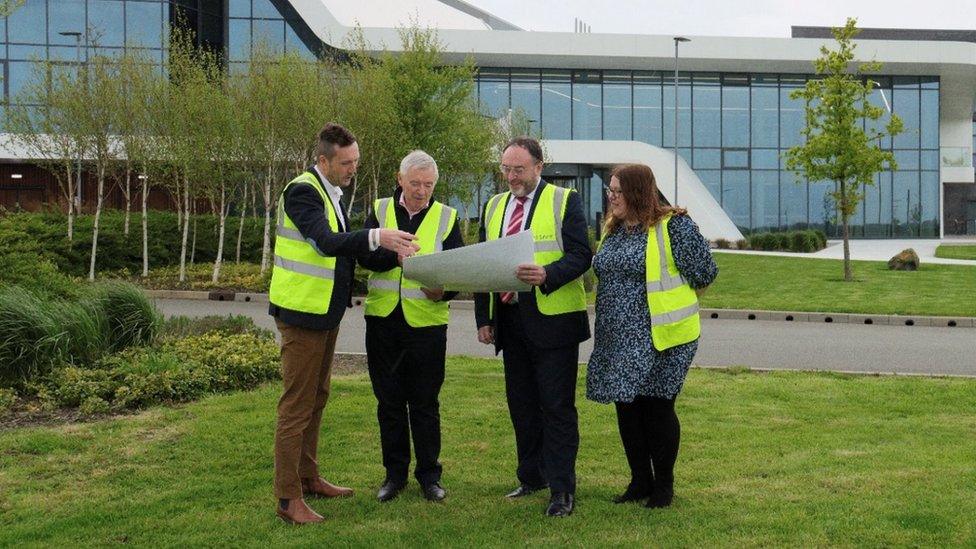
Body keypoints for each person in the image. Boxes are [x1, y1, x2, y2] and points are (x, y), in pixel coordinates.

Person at [268, 123, 419, 524]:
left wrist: (387, 251)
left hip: (324, 314)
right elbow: (324, 241)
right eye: (346, 162)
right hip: (302, 315)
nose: (353, 169)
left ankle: (308, 477)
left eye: (356, 161)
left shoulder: (331, 191)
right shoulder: (302, 191)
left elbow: (342, 248)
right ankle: (287, 499)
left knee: (316, 399)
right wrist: (377, 237)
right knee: (296, 407)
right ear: (323, 161)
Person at [585, 164, 718, 509]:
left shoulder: (674, 226)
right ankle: (640, 481)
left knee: (658, 408)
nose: (611, 197)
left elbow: (705, 272)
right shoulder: (613, 230)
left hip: (665, 336)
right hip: (618, 337)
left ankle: (664, 487)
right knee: (627, 408)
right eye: (609, 191)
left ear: (638, 192)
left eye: (616, 191)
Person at [474, 136, 592, 517]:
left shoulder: (564, 200)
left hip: (554, 323)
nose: (511, 177)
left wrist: (547, 274)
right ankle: (531, 477)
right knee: (521, 405)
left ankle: (561, 490)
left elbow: (581, 255)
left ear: (539, 167)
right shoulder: (493, 206)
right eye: (506, 169)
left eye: (519, 170)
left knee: (556, 408)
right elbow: (482, 264)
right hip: (510, 321)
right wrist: (484, 318)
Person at [359, 150, 464, 503]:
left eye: (429, 185)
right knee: (388, 402)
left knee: (425, 402)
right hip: (384, 320)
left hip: (427, 324)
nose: (422, 191)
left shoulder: (447, 217)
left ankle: (429, 477)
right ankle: (394, 475)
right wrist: (393, 256)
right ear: (400, 179)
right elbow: (361, 254)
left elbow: (457, 267)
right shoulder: (378, 211)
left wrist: (444, 290)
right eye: (416, 183)